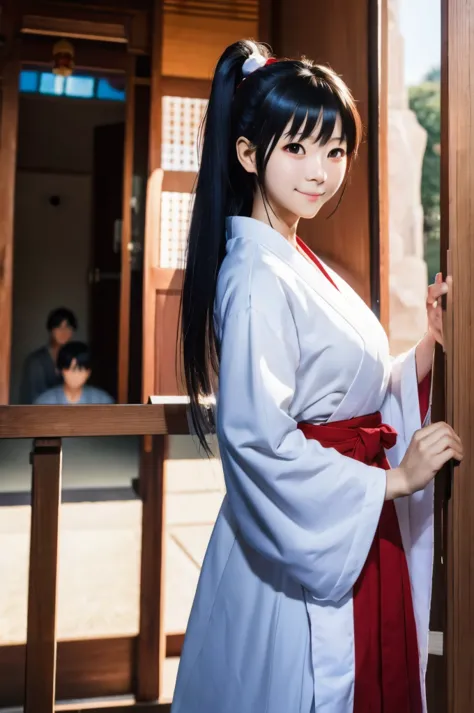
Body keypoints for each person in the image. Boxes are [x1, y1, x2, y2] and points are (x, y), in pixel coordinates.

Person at [173, 40, 463, 713]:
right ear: (248, 155)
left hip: (347, 519)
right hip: (311, 537)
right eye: (298, 149)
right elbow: (260, 442)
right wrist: (393, 478)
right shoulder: (254, 276)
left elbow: (347, 392)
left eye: (335, 151)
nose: (322, 172)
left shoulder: (293, 258)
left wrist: (426, 350)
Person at [19, 307, 77, 404]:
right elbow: (32, 398)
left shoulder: (76, 359)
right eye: (58, 327)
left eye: (68, 327)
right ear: (51, 330)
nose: (63, 332)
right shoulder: (36, 361)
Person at [34, 341, 114, 405]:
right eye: (71, 369)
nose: (75, 375)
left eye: (80, 369)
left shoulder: (102, 401)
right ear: (61, 370)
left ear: (88, 372)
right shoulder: (44, 402)